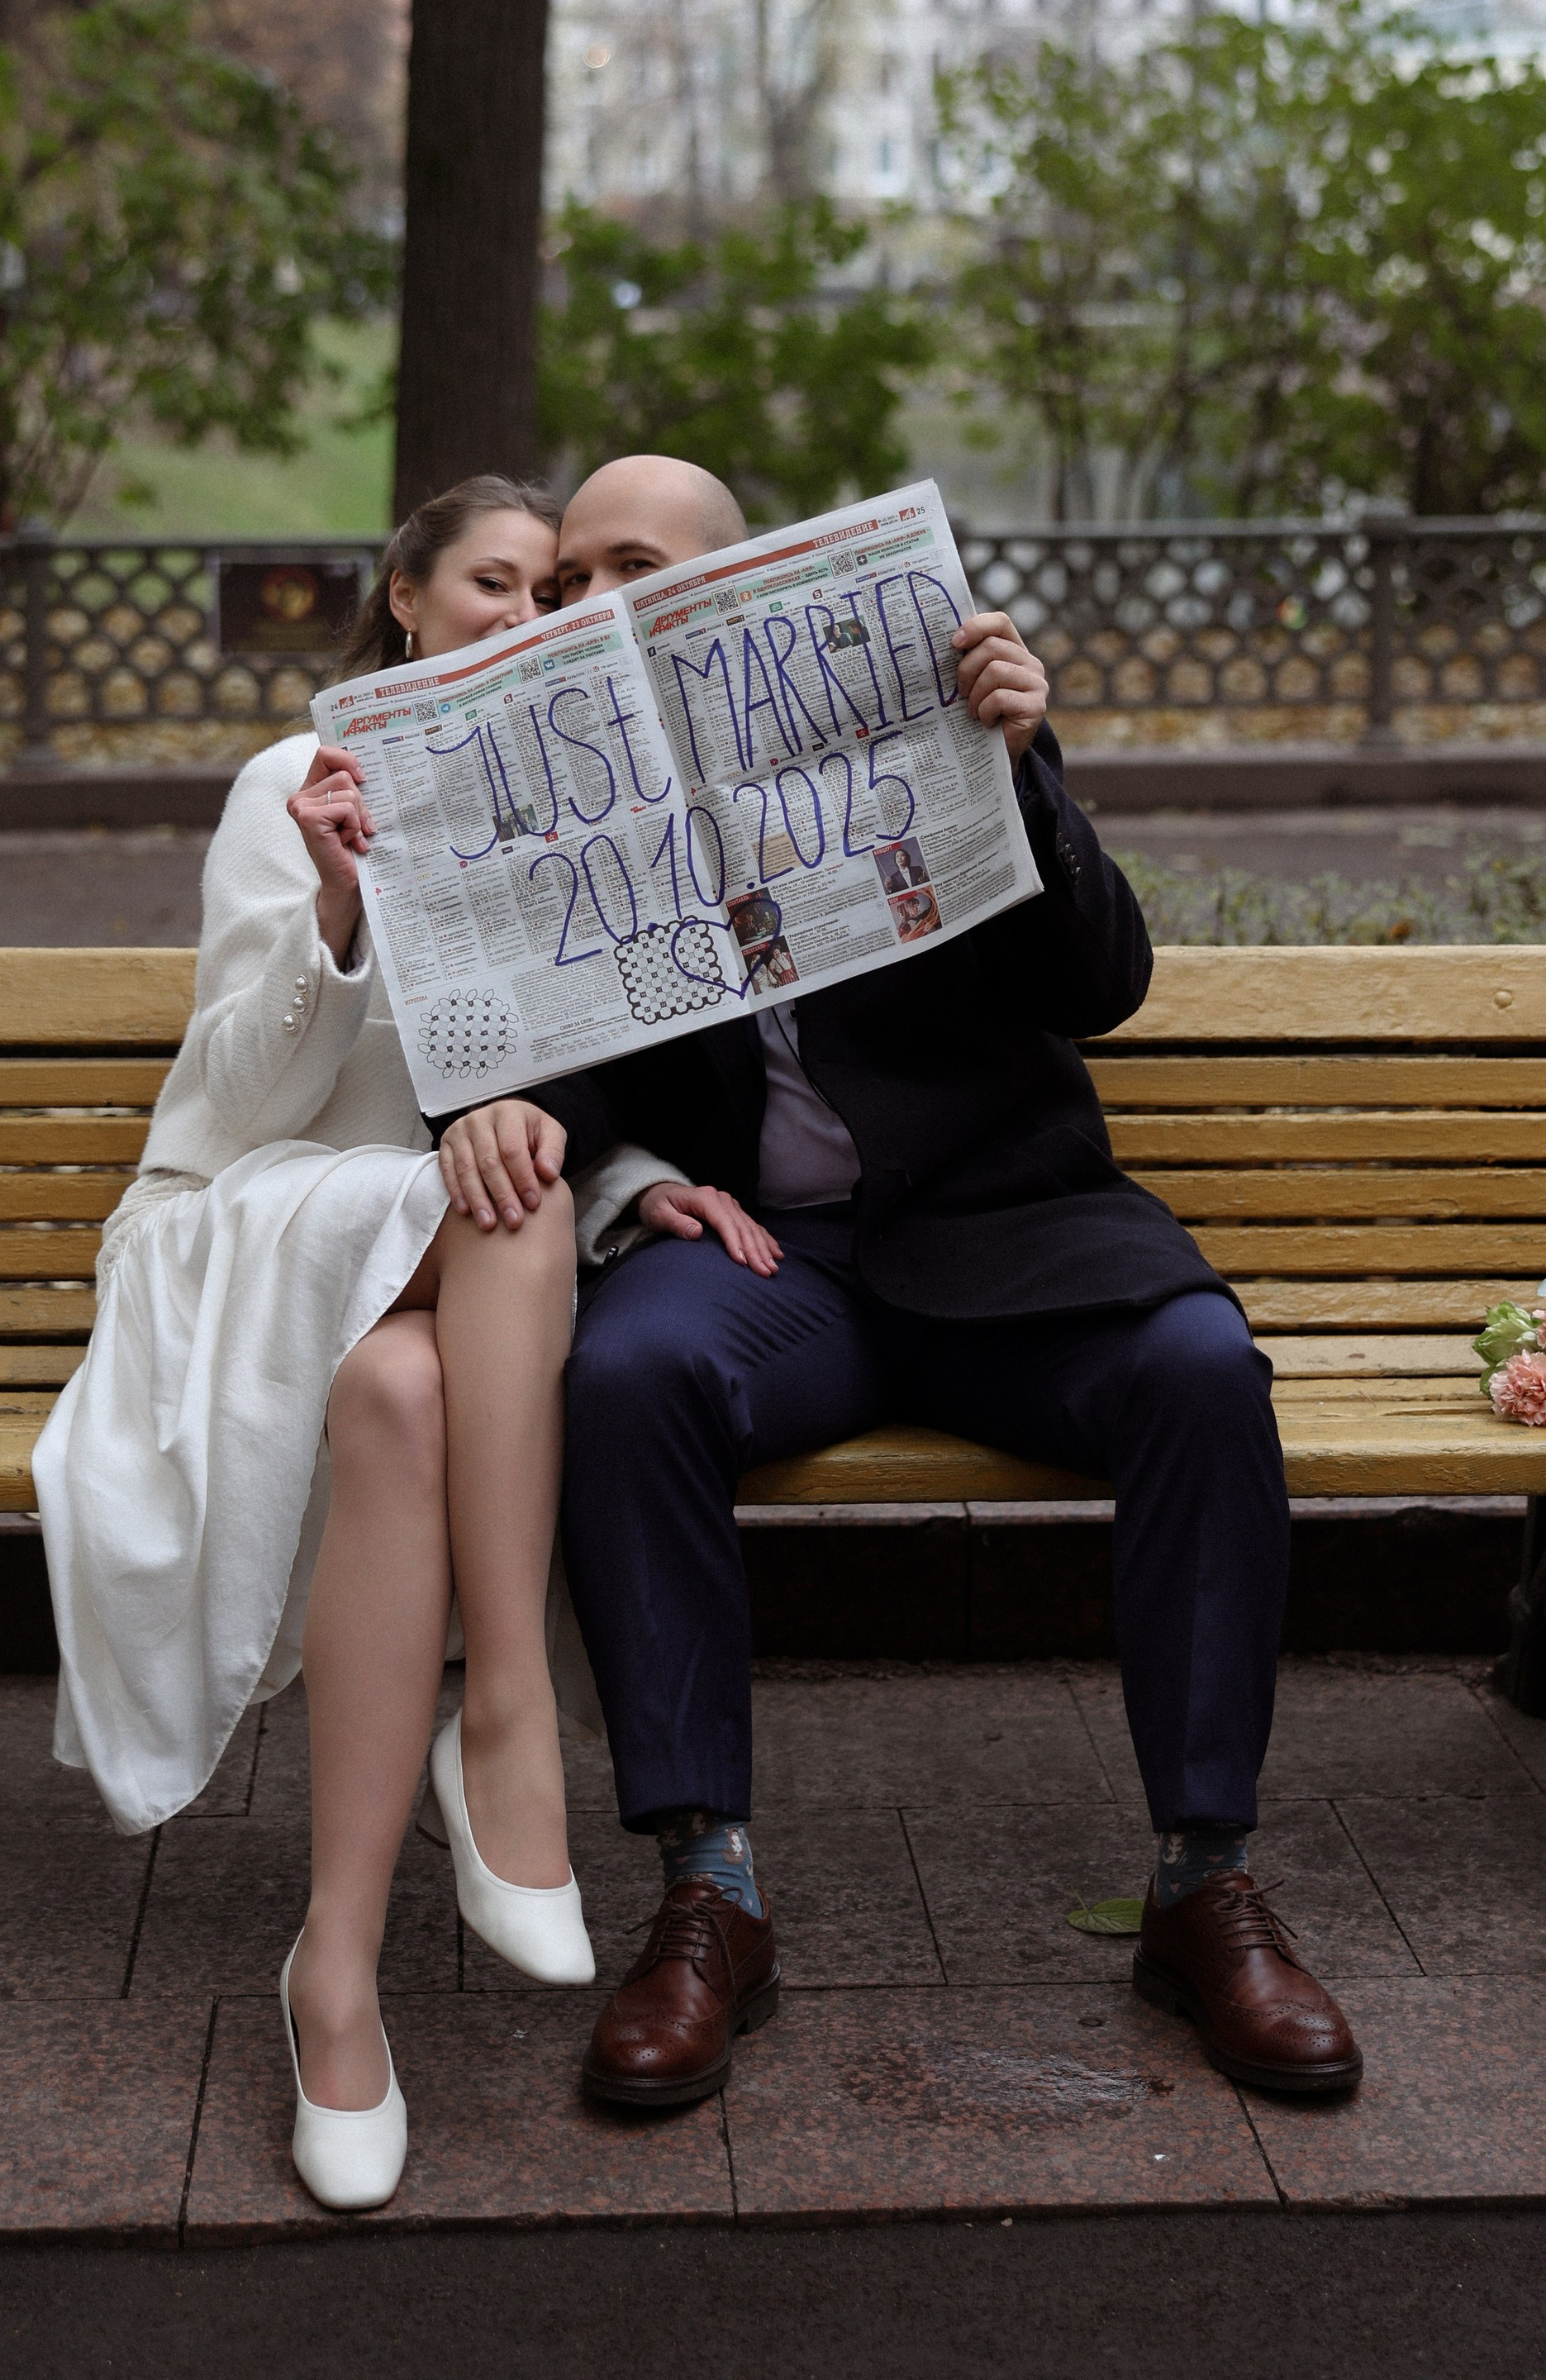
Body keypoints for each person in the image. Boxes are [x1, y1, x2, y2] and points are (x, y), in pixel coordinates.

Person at [483, 451, 1363, 2111]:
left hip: (1003, 1238)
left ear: (736, 593)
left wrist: (1021, 768)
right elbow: (549, 1062)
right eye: (566, 577)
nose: (589, 604)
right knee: (625, 1379)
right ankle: (705, 1895)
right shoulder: (564, 796)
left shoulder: (935, 718)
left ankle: (1204, 1882)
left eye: (628, 568)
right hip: (764, 1262)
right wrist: (562, 1136)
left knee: (1195, 1370)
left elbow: (1099, 986)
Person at [34, 474, 777, 2214]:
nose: (522, 621)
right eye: (491, 587)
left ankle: (336, 1973)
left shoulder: (580, 801)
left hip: (431, 1272)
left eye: (548, 595)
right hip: (252, 1221)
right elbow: (224, 1104)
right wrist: (337, 905)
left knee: (402, 1378)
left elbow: (584, 1083)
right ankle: (505, 1714)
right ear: (407, 595)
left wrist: (644, 1178)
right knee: (501, 1198)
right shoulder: (291, 783)